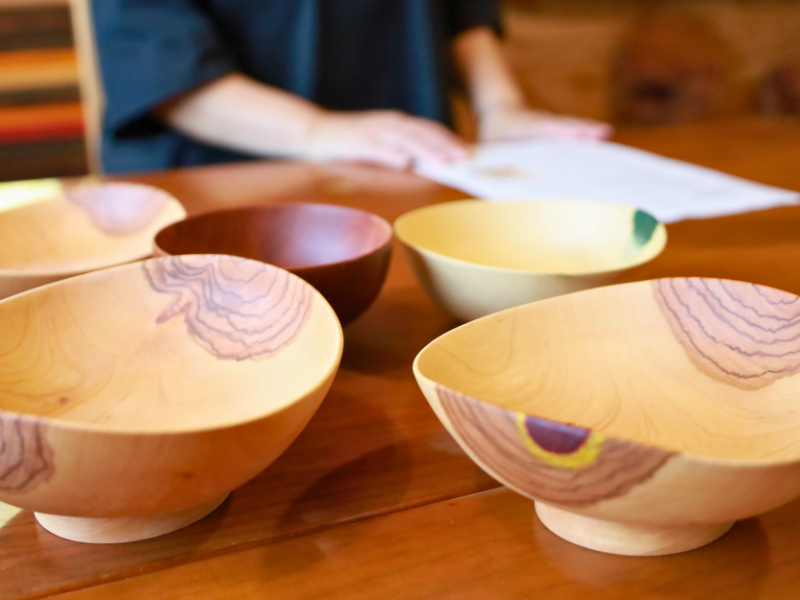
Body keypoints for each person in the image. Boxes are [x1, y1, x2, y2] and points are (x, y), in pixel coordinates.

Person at [92, 1, 610, 174]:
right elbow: (161, 67)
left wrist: (499, 106)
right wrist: (318, 131)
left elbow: (459, 11)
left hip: (406, 173)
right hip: (218, 186)